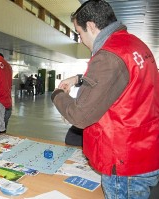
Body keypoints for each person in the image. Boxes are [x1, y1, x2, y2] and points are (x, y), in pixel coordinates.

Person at [51, 1, 159, 198]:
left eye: (79, 32)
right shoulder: (134, 44)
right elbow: (122, 84)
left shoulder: (109, 55)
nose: (81, 39)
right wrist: (78, 79)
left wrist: (57, 95)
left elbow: (80, 115)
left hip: (123, 161)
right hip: (144, 151)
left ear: (91, 26)